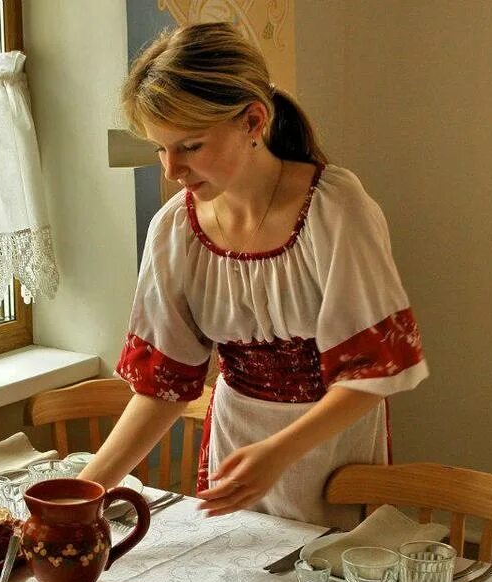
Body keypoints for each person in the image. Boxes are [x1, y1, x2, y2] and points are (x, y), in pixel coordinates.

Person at [78, 23, 428, 528]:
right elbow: (163, 386)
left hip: (333, 449)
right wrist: (85, 492)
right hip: (235, 441)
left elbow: (374, 370)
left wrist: (278, 454)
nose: (171, 169)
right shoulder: (175, 230)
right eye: (160, 148)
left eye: (190, 146)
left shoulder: (334, 209)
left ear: (253, 121)